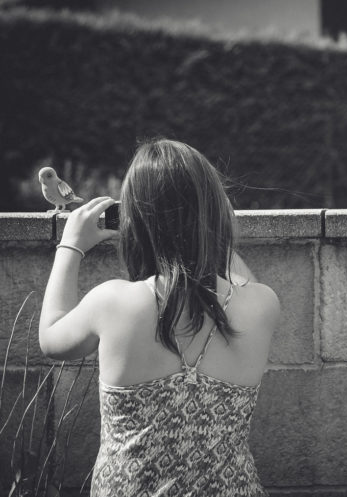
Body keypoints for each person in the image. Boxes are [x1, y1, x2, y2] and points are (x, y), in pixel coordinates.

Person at [39, 139, 280, 496]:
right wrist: (215, 230)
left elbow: (51, 339)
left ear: (134, 221)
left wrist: (70, 245)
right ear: (216, 214)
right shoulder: (263, 305)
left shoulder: (113, 301)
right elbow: (233, 275)